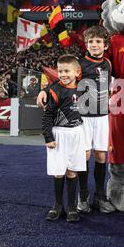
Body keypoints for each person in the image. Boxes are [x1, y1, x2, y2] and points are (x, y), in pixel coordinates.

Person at [75, 26, 115, 214]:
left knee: (101, 156)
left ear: (105, 45)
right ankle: (83, 196)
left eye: (98, 41)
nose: (94, 45)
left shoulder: (107, 63)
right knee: (84, 156)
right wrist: (45, 91)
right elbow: (65, 81)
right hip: (83, 116)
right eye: (91, 41)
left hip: (102, 116)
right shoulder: (79, 63)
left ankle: (99, 196)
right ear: (86, 44)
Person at [42, 54, 86, 223]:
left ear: (77, 72)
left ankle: (72, 207)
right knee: (58, 172)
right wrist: (48, 137)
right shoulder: (54, 90)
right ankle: (58, 205)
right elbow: (47, 117)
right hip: (58, 134)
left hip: (77, 134)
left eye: (67, 71)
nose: (63, 74)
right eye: (60, 71)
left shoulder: (83, 88)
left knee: (72, 170)